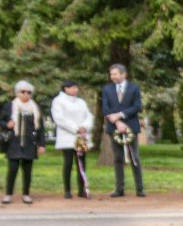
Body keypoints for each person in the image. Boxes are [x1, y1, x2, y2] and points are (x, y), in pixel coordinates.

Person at [100, 63, 145, 197]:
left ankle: (140, 188)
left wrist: (121, 115)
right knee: (118, 158)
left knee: (134, 157)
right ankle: (119, 189)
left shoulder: (134, 88)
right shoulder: (107, 89)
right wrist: (117, 122)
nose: (112, 76)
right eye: (111, 74)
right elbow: (105, 107)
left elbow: (137, 106)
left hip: (131, 126)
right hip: (113, 127)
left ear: (123, 74)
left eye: (114, 74)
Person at [0, 81, 46, 205]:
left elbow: (40, 128)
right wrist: (7, 124)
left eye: (29, 92)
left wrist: (41, 144)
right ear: (17, 93)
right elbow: (0, 121)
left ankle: (26, 194)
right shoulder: (10, 106)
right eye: (22, 92)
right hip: (14, 142)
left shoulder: (35, 108)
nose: (25, 94)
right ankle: (8, 194)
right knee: (12, 169)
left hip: (30, 143)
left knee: (27, 171)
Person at [51, 80, 94, 199]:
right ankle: (67, 190)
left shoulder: (81, 102)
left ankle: (82, 189)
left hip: (81, 137)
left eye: (76, 87)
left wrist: (84, 127)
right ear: (66, 88)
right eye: (72, 88)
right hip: (67, 137)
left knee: (81, 164)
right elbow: (59, 119)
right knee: (68, 163)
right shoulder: (58, 101)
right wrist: (75, 128)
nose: (75, 90)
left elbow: (89, 116)